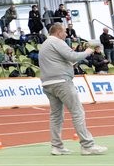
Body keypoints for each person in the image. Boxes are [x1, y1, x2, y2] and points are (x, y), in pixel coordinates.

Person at [39, 24, 107, 156]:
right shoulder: (57, 41)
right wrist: (87, 52)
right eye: (64, 32)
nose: (66, 34)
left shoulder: (46, 44)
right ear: (58, 32)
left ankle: (56, 146)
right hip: (61, 82)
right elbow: (73, 56)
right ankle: (87, 145)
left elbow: (62, 60)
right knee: (77, 112)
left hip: (48, 83)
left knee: (56, 116)